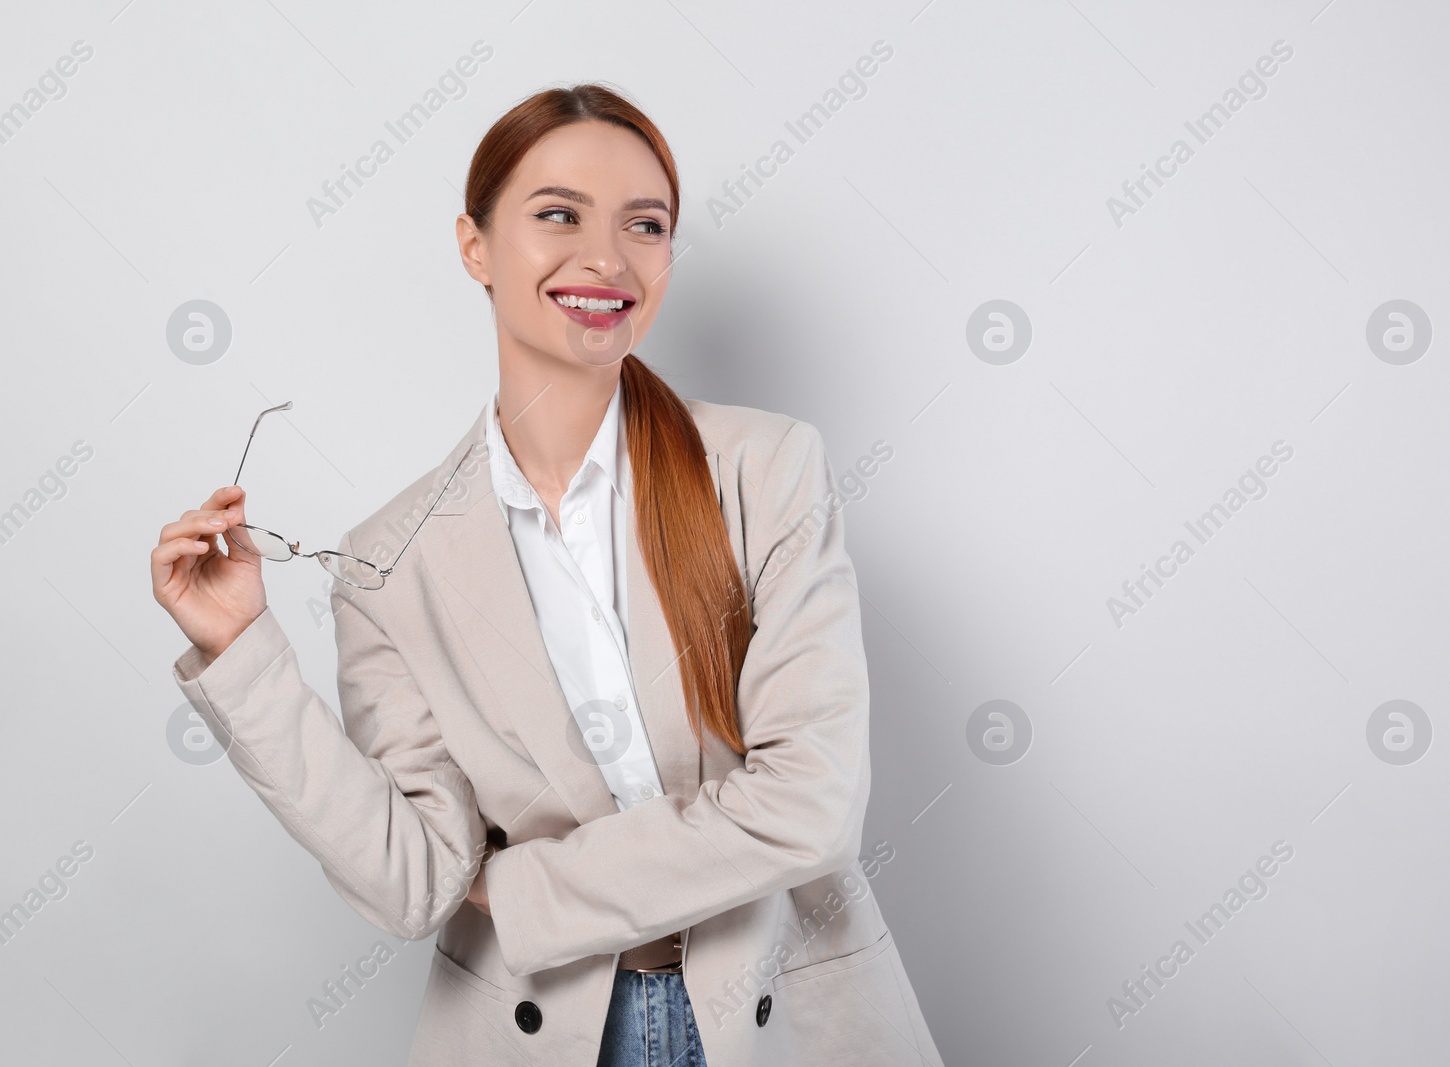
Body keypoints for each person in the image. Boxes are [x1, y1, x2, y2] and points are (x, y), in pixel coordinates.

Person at [150, 83, 944, 1067]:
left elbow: (811, 806)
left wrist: (516, 888)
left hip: (781, 1010)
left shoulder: (766, 469)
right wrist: (243, 655)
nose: (607, 257)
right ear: (474, 245)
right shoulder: (389, 558)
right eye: (558, 214)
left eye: (644, 225)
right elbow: (413, 881)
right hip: (543, 1033)